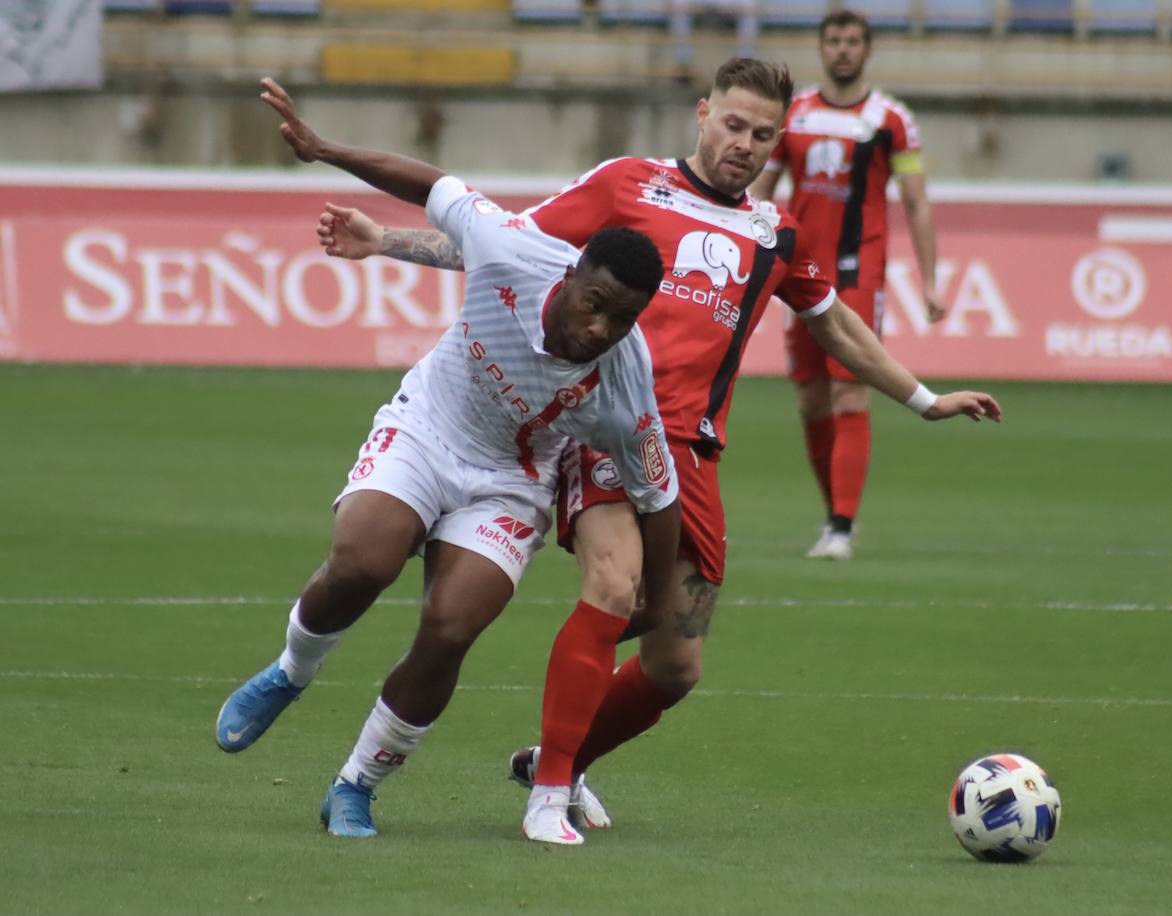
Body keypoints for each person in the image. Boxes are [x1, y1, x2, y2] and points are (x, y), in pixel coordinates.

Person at [317, 58, 1000, 834]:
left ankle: (557, 760)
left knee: (677, 664)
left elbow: (833, 323)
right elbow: (508, 245)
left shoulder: (775, 234)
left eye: (763, 134)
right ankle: (546, 801)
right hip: (605, 430)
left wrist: (922, 397)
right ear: (704, 115)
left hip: (693, 462)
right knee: (613, 587)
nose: (745, 143)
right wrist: (387, 243)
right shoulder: (629, 184)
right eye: (734, 124)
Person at [214, 78, 682, 846]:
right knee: (363, 561)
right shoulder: (511, 249)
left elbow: (656, 495)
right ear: (568, 277)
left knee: (450, 626)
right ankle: (290, 672)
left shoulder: (627, 377)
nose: (602, 328)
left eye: (622, 318)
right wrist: (325, 150)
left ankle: (356, 785)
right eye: (595, 302)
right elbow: (435, 186)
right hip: (430, 428)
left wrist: (658, 599)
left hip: (511, 479)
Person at [750, 9, 946, 560]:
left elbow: (915, 202)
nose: (842, 49)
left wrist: (931, 282)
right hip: (799, 275)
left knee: (849, 389)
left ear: (867, 49)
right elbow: (762, 192)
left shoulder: (892, 120)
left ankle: (839, 527)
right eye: (833, 40)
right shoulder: (796, 114)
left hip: (859, 270)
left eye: (852, 41)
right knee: (811, 401)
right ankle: (835, 514)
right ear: (821, 47)